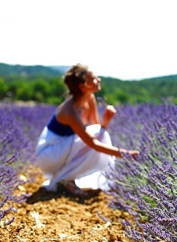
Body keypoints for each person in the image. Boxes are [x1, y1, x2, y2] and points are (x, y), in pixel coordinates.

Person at [34, 64, 138, 196]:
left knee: (99, 133)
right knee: (96, 136)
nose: (98, 79)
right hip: (50, 154)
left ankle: (68, 178)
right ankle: (66, 179)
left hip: (65, 147)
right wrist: (127, 154)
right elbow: (93, 143)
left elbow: (98, 131)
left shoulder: (89, 98)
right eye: (94, 78)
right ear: (83, 86)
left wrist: (106, 119)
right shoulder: (69, 110)